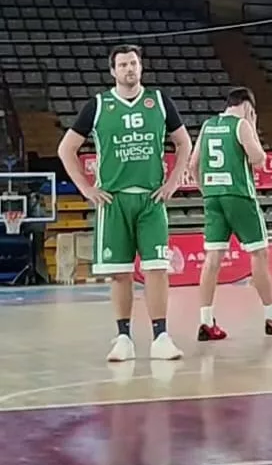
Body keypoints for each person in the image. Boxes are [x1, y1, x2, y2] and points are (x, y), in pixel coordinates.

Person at [57, 44, 192, 363]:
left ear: (141, 67)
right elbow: (66, 149)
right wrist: (86, 189)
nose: (129, 69)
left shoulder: (159, 101)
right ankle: (123, 338)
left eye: (133, 63)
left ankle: (161, 336)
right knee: (120, 273)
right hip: (114, 200)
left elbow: (184, 142)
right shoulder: (98, 105)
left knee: (157, 269)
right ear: (113, 71)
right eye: (123, 65)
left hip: (150, 198)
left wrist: (174, 181)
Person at [192, 87, 272, 342]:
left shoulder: (208, 125)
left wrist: (206, 190)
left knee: (212, 259)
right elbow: (258, 158)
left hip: (212, 196)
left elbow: (193, 163)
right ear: (247, 107)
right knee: (259, 252)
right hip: (239, 195)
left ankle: (206, 321)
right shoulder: (241, 124)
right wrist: (251, 126)